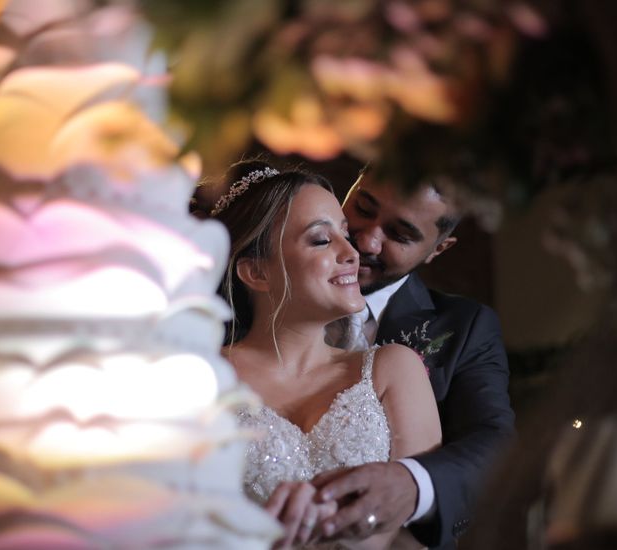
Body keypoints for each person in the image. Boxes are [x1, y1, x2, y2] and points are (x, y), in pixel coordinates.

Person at [210, 160, 441, 549]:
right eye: (321, 239)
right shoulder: (197, 380)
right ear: (256, 273)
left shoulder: (392, 370)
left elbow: (417, 532)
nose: (353, 252)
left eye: (345, 234)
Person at [313, 167, 516, 549]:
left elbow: (495, 443)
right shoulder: (259, 298)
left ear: (438, 248)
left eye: (400, 234)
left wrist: (412, 484)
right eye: (363, 207)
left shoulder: (465, 327)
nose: (367, 240)